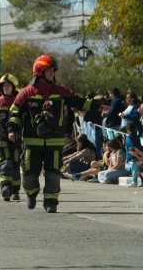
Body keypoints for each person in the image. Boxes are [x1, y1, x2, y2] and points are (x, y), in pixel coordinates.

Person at [8, 55, 97, 212]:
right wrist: (12, 129)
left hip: (54, 142)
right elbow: (14, 112)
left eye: (53, 71)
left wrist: (97, 105)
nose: (52, 73)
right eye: (49, 70)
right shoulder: (26, 93)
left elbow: (79, 102)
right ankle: (31, 193)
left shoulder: (60, 91)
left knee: (53, 173)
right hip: (31, 142)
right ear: (39, 71)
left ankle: (51, 202)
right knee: (29, 174)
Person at [0, 74, 21, 202]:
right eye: (4, 85)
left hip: (17, 139)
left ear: (14, 86)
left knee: (16, 164)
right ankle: (6, 188)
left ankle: (15, 190)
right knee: (6, 163)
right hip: (1, 138)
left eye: (8, 85)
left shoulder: (20, 101)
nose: (6, 87)